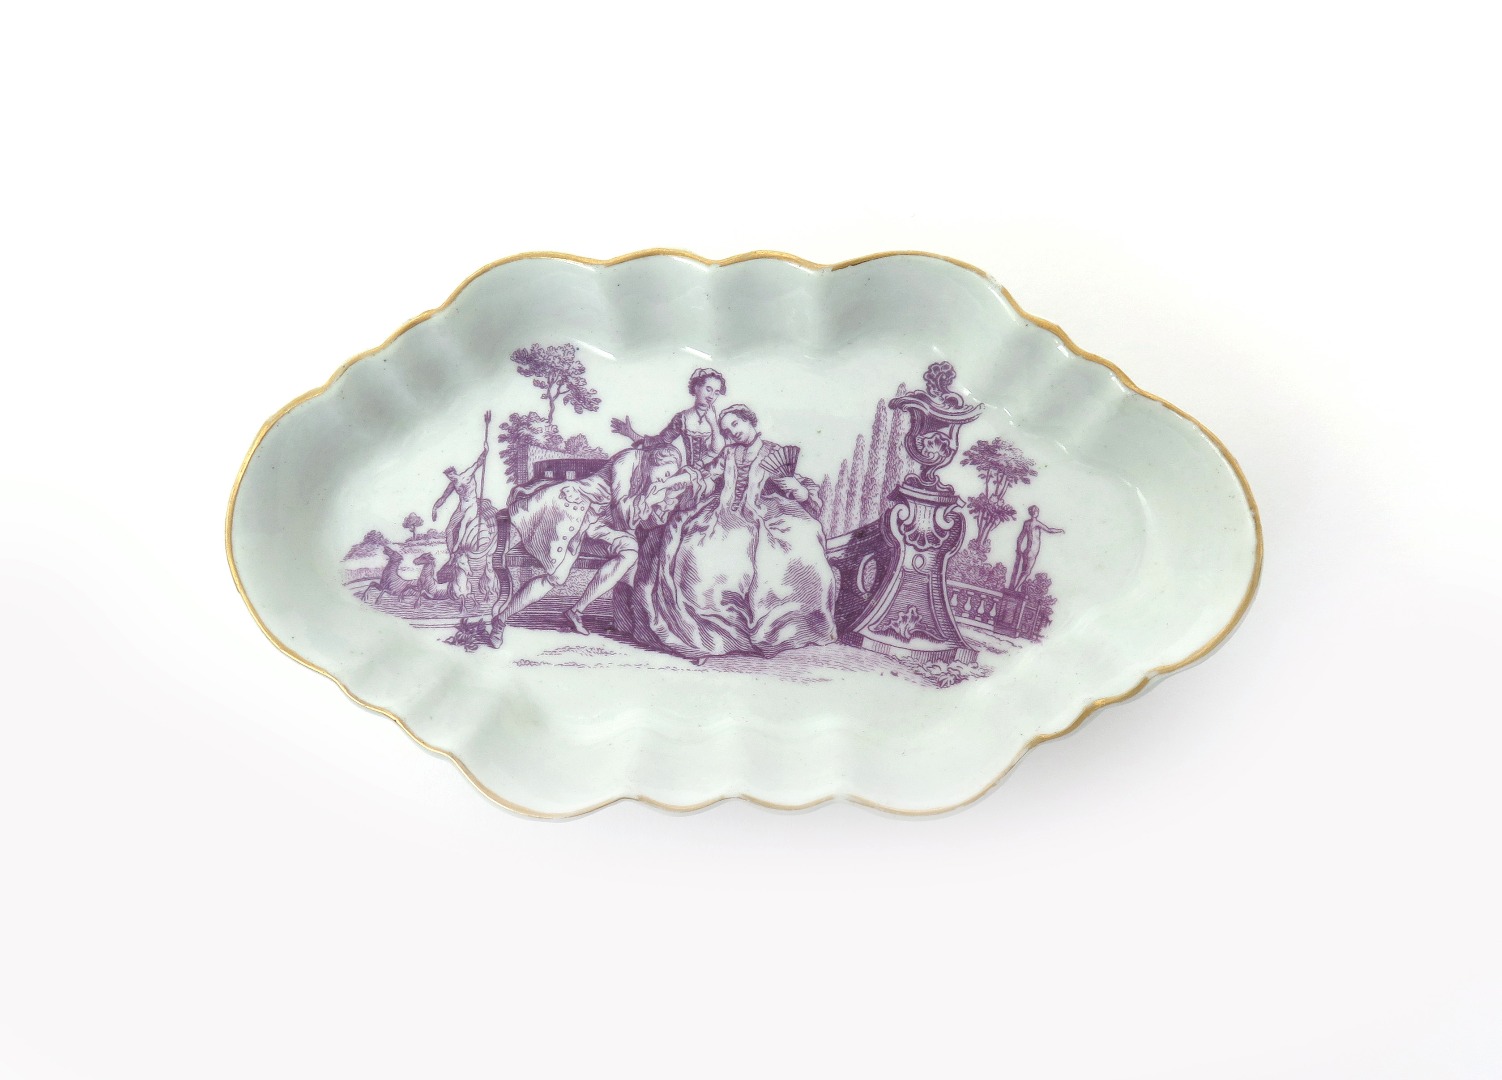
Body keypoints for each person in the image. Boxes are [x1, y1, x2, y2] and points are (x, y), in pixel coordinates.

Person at [618, 404, 839, 662]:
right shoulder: (729, 453)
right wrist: (674, 482)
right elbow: (706, 475)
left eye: (735, 424)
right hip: (725, 513)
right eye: (726, 430)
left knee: (801, 538)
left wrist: (798, 490)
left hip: (768, 513)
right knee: (695, 550)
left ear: (749, 421)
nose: (732, 433)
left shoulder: (774, 451)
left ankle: (786, 626)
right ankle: (708, 629)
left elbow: (802, 490)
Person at [489, 445, 685, 645]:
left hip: (595, 523)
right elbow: (621, 512)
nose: (665, 480)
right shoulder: (627, 460)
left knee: (629, 551)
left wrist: (659, 501)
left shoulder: (651, 480)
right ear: (657, 460)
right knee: (556, 577)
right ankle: (501, 619)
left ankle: (576, 610)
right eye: (666, 474)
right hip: (572, 508)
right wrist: (650, 499)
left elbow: (638, 522)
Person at [431, 411, 499, 611]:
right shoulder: (453, 484)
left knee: (461, 530)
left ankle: (456, 551)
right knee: (449, 529)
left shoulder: (467, 475)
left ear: (454, 473)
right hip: (461, 507)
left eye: (452, 476)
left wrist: (485, 450)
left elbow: (479, 462)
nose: (451, 479)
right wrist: (435, 507)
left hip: (471, 506)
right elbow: (443, 498)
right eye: (449, 478)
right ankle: (452, 554)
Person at [610, 367, 727, 469]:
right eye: (708, 389)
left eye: (716, 392)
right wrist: (631, 434)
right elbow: (660, 441)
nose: (711, 396)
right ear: (696, 387)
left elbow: (720, 449)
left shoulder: (722, 419)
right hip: (692, 473)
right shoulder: (682, 418)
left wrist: (713, 423)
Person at [1009, 505, 1064, 590]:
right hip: (1032, 551)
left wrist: (1019, 549)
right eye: (1036, 511)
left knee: (1023, 571)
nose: (1036, 512)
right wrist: (1060, 530)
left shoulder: (1026, 523)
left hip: (1026, 551)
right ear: (1036, 513)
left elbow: (1020, 538)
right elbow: (1049, 530)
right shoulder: (1037, 523)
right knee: (1027, 572)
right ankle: (1016, 588)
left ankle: (1016, 588)